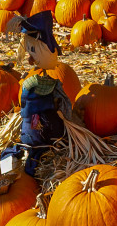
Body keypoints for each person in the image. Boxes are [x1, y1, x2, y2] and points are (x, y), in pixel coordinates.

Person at [7, 11, 73, 177]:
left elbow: (26, 104)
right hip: (39, 125)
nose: (30, 59)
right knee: (35, 148)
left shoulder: (37, 83)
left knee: (36, 146)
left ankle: (18, 169)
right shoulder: (35, 83)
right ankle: (20, 173)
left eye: (32, 52)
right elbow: (33, 105)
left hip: (38, 124)